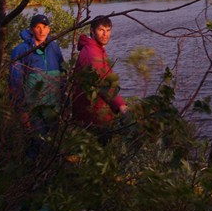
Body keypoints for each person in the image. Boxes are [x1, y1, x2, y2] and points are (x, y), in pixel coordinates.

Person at [9, 14, 64, 156]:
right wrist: (22, 111)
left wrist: (65, 102)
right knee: (36, 147)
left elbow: (63, 75)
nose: (41, 31)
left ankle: (49, 175)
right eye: (37, 27)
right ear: (31, 29)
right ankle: (30, 175)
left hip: (53, 109)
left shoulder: (54, 48)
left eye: (44, 27)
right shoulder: (21, 50)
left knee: (53, 147)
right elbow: (15, 83)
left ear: (49, 29)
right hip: (33, 111)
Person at [72, 15, 128, 138]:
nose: (105, 34)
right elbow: (102, 82)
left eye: (108, 30)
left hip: (95, 111)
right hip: (93, 115)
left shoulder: (96, 49)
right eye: (101, 30)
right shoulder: (92, 52)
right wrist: (120, 105)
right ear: (92, 31)